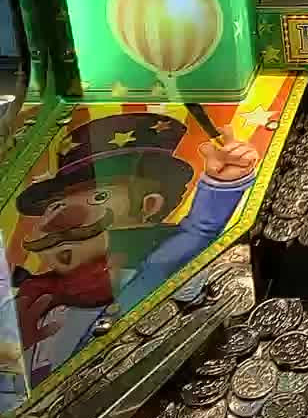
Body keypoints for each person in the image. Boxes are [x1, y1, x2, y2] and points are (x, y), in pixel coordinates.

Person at [10, 111, 258, 387]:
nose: (63, 216)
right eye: (55, 204)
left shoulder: (153, 268)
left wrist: (223, 183)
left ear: (149, 206)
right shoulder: (32, 298)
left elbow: (198, 231)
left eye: (99, 196)